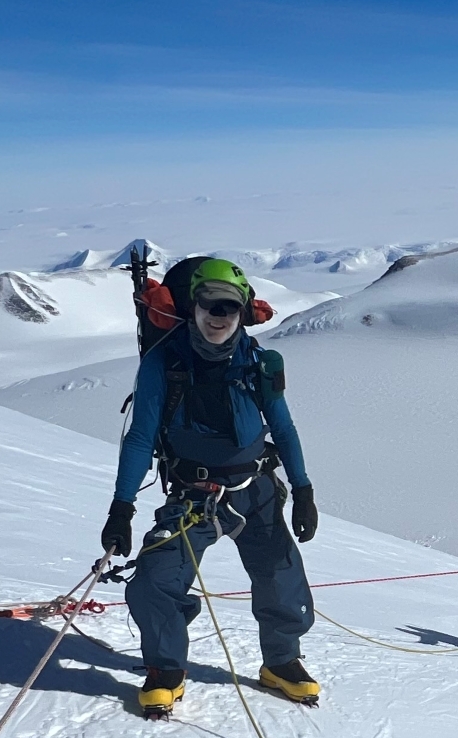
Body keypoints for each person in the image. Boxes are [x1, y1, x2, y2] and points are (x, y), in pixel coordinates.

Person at [99, 256, 321, 713]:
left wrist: (302, 490)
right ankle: (166, 667)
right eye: (208, 306)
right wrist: (121, 507)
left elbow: (284, 428)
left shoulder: (258, 363)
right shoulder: (165, 361)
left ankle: (281, 661)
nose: (218, 317)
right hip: (192, 497)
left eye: (228, 308)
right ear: (192, 308)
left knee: (281, 576)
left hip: (254, 491)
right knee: (153, 582)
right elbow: (140, 436)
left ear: (243, 312)